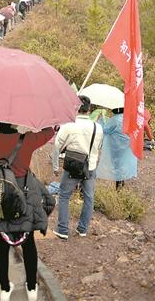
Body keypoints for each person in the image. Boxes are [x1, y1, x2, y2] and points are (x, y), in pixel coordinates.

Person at [0, 123, 54, 301]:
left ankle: (4, 288)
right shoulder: (27, 139)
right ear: (14, 122)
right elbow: (49, 132)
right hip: (23, 198)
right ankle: (32, 287)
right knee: (28, 244)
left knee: (1, 244)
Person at [53, 96, 103, 239]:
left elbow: (57, 146)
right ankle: (82, 229)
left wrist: (56, 167)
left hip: (73, 166)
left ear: (75, 108)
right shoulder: (98, 127)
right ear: (89, 109)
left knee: (64, 195)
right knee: (89, 198)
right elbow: (99, 147)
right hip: (90, 167)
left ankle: (62, 229)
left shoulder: (69, 125)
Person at [96, 107, 137, 189]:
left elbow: (105, 129)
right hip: (127, 147)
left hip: (117, 147)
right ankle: (121, 184)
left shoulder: (115, 119)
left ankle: (119, 186)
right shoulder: (128, 118)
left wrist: (100, 119)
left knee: (118, 166)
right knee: (123, 164)